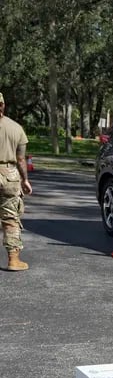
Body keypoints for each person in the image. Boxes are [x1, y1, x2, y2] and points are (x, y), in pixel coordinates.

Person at [0, 91, 33, 271]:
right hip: (9, 175)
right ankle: (13, 260)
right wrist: (25, 180)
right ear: (3, 105)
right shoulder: (16, 128)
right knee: (10, 219)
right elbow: (21, 160)